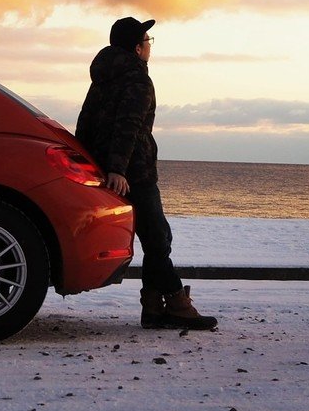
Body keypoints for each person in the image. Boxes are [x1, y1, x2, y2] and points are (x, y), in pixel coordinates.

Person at [75, 16, 217, 331]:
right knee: (158, 238)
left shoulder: (102, 77)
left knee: (156, 238)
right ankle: (177, 303)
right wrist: (118, 169)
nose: (150, 47)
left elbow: (85, 124)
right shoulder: (137, 79)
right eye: (148, 42)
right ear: (138, 47)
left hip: (108, 168)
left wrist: (90, 165)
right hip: (133, 172)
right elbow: (130, 126)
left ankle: (153, 309)